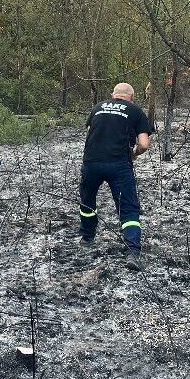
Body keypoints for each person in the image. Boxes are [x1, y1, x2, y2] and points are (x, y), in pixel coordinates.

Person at [78, 82, 153, 271]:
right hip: (119, 164)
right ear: (132, 97)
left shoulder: (97, 108)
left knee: (87, 203)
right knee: (128, 209)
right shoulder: (135, 111)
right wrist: (134, 154)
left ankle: (87, 238)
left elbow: (89, 133)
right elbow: (144, 144)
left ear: (113, 95)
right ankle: (133, 252)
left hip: (91, 162)